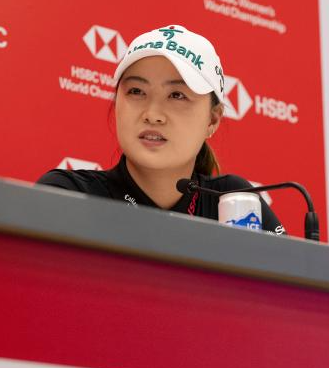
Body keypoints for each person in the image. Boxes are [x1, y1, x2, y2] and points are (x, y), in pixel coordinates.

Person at [37, 25, 285, 235]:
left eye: (177, 95)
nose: (153, 114)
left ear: (212, 119)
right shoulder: (69, 195)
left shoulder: (233, 203)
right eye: (136, 91)